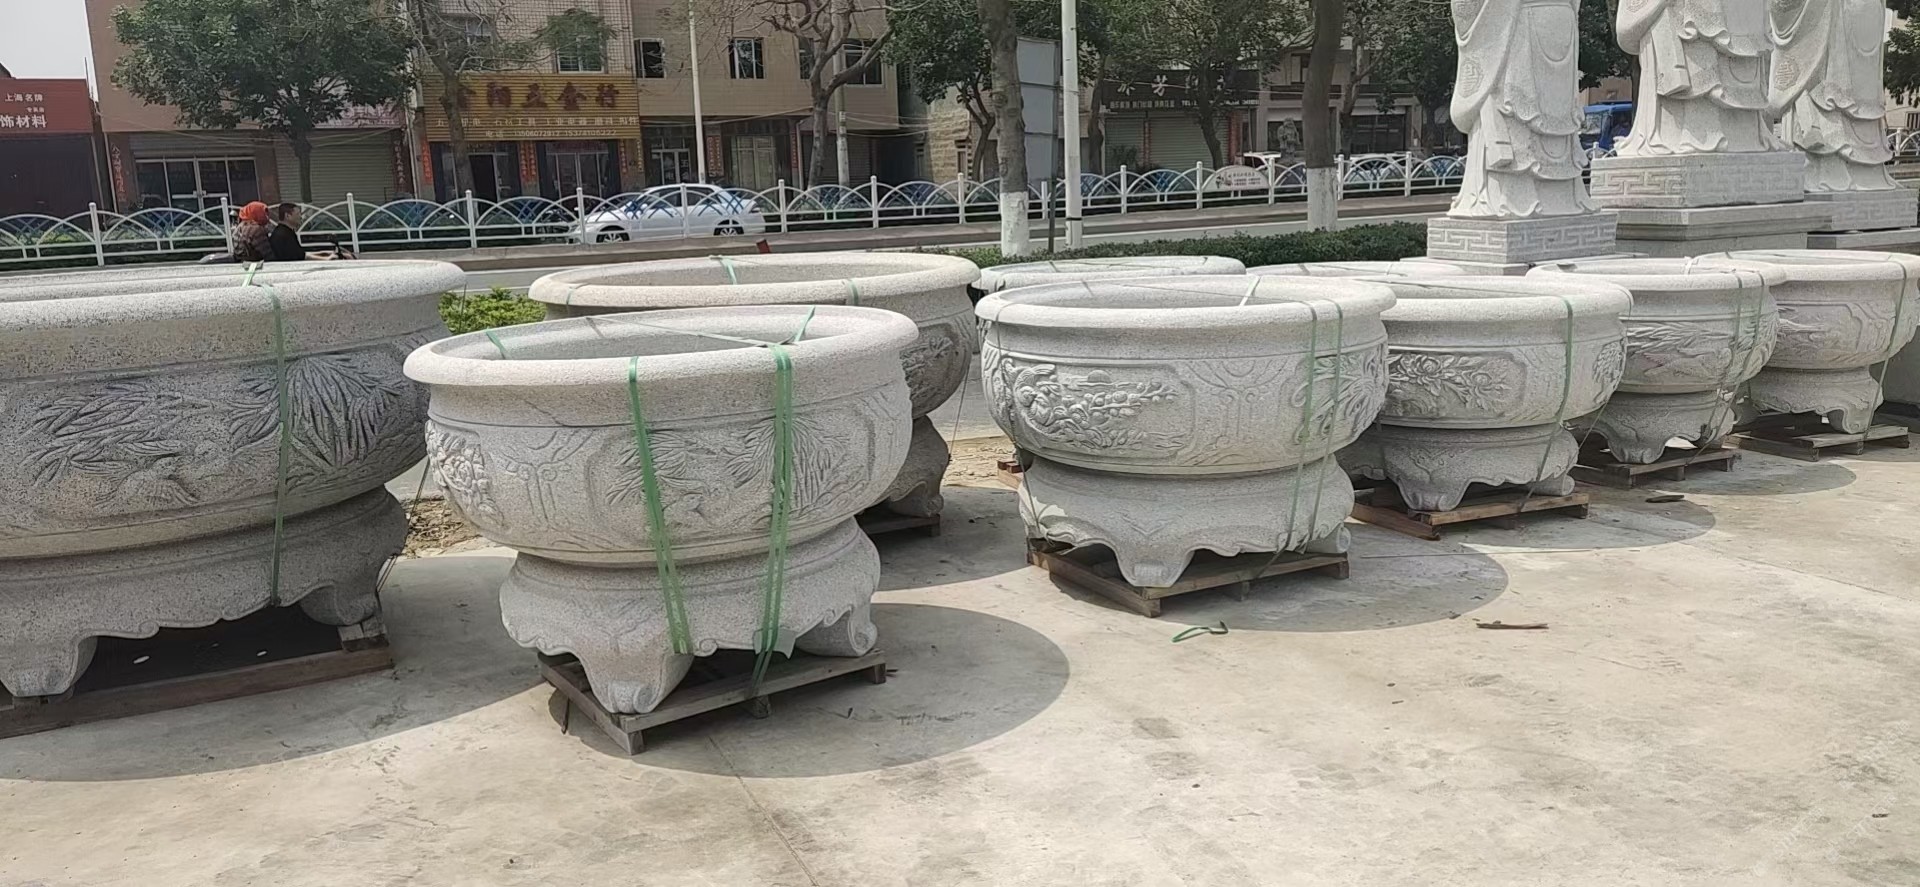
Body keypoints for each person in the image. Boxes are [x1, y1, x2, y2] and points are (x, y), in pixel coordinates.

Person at [269, 203, 334, 261]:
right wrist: (325, 259)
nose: (300, 217)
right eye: (297, 214)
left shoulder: (286, 232)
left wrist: (323, 253)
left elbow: (300, 253)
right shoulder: (282, 235)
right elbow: (299, 257)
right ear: (287, 216)